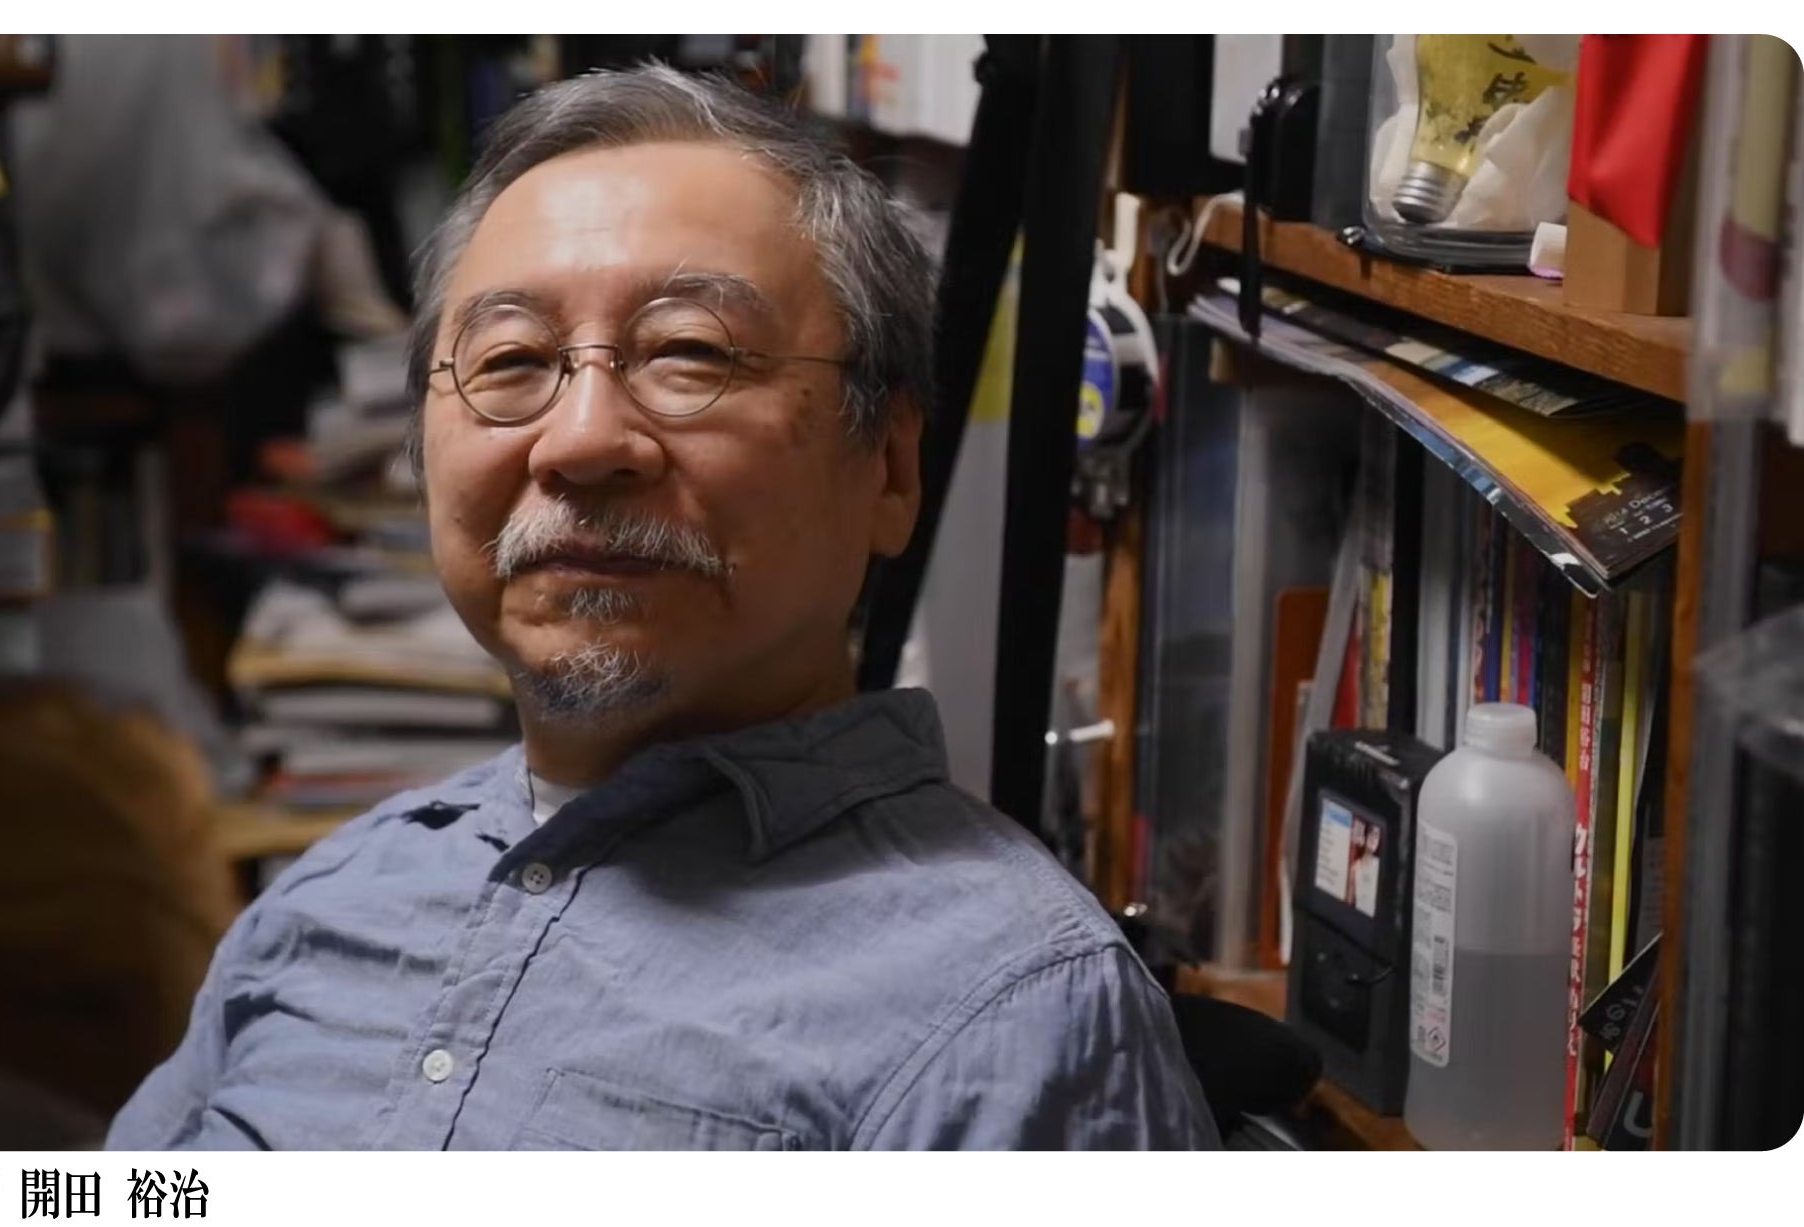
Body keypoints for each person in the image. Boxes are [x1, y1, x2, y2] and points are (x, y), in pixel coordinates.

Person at [107, 63, 1218, 1151]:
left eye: (689, 353)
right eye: (511, 360)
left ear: (888, 467)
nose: (584, 438)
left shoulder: (1013, 1014)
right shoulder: (335, 897)